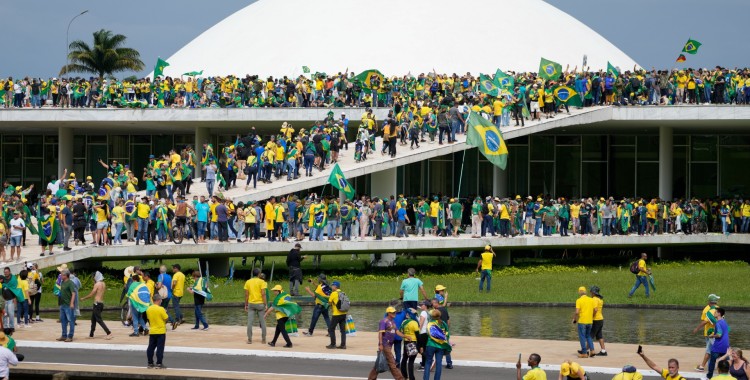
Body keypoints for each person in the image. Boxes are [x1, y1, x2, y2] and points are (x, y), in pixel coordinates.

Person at [368, 306, 405, 380]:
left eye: (395, 312)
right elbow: (380, 333)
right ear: (388, 313)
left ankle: (371, 378)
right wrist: (381, 344)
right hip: (385, 345)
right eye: (392, 312)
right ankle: (400, 378)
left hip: (389, 345)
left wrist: (406, 336)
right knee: (392, 363)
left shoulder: (393, 322)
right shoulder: (383, 321)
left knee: (379, 363)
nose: (394, 313)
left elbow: (397, 332)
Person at [79, 271, 113, 340]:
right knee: (93, 319)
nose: (93, 278)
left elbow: (92, 294)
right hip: (101, 304)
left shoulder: (97, 284)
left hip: (97, 304)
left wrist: (83, 298)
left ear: (96, 276)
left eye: (93, 277)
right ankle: (91, 334)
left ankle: (109, 333)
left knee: (99, 320)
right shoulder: (103, 283)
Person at [693, 293, 720, 372]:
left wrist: (697, 328)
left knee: (709, 350)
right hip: (717, 333)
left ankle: (702, 366)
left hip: (710, 334)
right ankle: (711, 365)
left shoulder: (707, 310)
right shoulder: (718, 309)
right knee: (711, 349)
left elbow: (704, 321)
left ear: (709, 302)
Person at [244, 268, 268, 344]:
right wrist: (265, 304)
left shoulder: (248, 282)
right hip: (260, 304)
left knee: (250, 322)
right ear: (259, 274)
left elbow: (246, 295)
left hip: (251, 304)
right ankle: (263, 339)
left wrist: (246, 304)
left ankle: (249, 339)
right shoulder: (262, 282)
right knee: (262, 322)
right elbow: (263, 294)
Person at [146, 294, 169, 369]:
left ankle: (150, 363)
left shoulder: (148, 309)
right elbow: (166, 318)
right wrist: (165, 312)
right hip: (160, 331)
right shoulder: (161, 309)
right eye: (161, 300)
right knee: (160, 348)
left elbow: (149, 319)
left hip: (152, 331)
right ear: (158, 300)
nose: (161, 301)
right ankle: (159, 363)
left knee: (150, 347)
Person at [304, 273, 331, 338]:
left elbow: (314, 295)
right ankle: (331, 332)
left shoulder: (319, 288)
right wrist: (313, 282)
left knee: (314, 318)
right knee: (327, 318)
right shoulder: (327, 286)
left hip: (319, 306)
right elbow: (319, 287)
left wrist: (308, 290)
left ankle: (310, 332)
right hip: (326, 305)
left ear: (320, 280)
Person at [398, 308, 420, 380]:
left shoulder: (404, 322)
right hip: (413, 342)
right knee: (411, 361)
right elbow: (417, 334)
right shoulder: (414, 323)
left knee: (404, 358)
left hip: (405, 341)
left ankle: (404, 375)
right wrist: (420, 345)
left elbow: (401, 331)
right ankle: (411, 377)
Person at [708, 307, 730, 379]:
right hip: (725, 345)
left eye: (715, 312)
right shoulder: (724, 322)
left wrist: (712, 336)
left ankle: (709, 376)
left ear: (719, 314)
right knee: (726, 362)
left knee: (712, 361)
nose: (714, 313)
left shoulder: (718, 323)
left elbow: (719, 334)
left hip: (718, 346)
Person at [573, 286, 595, 357]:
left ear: (579, 292)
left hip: (582, 321)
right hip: (590, 321)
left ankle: (584, 353)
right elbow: (595, 310)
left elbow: (577, 312)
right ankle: (592, 351)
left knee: (582, 337)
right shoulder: (591, 300)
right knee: (588, 336)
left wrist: (575, 319)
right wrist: (591, 316)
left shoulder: (579, 300)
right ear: (585, 292)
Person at [56, 269, 77, 342]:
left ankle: (70, 336)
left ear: (66, 275)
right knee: (63, 320)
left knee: (71, 320)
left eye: (62, 275)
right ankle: (64, 335)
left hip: (68, 304)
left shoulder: (70, 283)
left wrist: (71, 303)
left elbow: (73, 293)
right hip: (62, 304)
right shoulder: (62, 282)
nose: (61, 276)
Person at [327, 281, 347, 349]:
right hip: (343, 313)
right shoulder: (343, 293)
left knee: (331, 329)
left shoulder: (333, 293)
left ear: (335, 287)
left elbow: (329, 303)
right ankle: (343, 345)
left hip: (336, 314)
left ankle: (333, 344)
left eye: (332, 285)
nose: (331, 286)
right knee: (343, 330)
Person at [590, 286, 606, 356]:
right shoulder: (600, 299)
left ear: (593, 292)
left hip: (596, 320)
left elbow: (595, 309)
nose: (590, 293)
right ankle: (603, 351)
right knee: (599, 336)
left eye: (591, 291)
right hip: (601, 319)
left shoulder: (594, 299)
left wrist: (591, 316)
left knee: (590, 336)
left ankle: (585, 350)